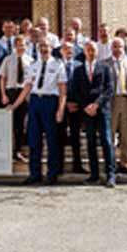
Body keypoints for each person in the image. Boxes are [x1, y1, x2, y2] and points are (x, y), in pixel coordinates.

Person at [9, 39, 67, 185]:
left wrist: (60, 109)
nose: (43, 49)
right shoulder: (33, 65)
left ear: (51, 47)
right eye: (41, 46)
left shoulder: (58, 65)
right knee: (34, 140)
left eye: (46, 46)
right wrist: (15, 105)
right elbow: (27, 87)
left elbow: (62, 90)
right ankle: (35, 174)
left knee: (52, 140)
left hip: (50, 102)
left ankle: (51, 174)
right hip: (35, 102)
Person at [70, 40, 115, 187]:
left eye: (93, 50)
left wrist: (96, 104)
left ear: (97, 52)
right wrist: (86, 106)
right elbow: (75, 91)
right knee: (90, 143)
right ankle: (94, 175)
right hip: (87, 112)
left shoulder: (105, 67)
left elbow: (109, 89)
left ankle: (110, 175)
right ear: (84, 51)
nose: (90, 52)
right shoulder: (78, 70)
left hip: (101, 110)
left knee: (106, 141)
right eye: (88, 49)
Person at [0, 35, 32, 163]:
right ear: (15, 46)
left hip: (24, 93)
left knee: (20, 124)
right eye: (19, 44)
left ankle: (17, 151)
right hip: (11, 92)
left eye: (23, 45)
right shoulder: (8, 59)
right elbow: (2, 78)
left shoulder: (30, 60)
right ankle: (5, 151)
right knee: (8, 124)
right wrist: (3, 95)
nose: (21, 47)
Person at [107, 37, 127, 176]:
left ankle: (124, 162)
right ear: (111, 48)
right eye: (115, 46)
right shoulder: (105, 64)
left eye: (120, 47)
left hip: (126, 100)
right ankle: (111, 163)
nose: (117, 49)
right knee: (111, 133)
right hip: (112, 101)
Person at [56, 41, 86, 174]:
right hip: (60, 106)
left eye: (70, 49)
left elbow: (82, 87)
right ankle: (59, 166)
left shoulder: (80, 66)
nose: (68, 51)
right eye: (65, 49)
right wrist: (64, 103)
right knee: (60, 136)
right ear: (61, 51)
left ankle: (77, 165)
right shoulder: (55, 64)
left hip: (76, 106)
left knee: (76, 137)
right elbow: (54, 85)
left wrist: (76, 102)